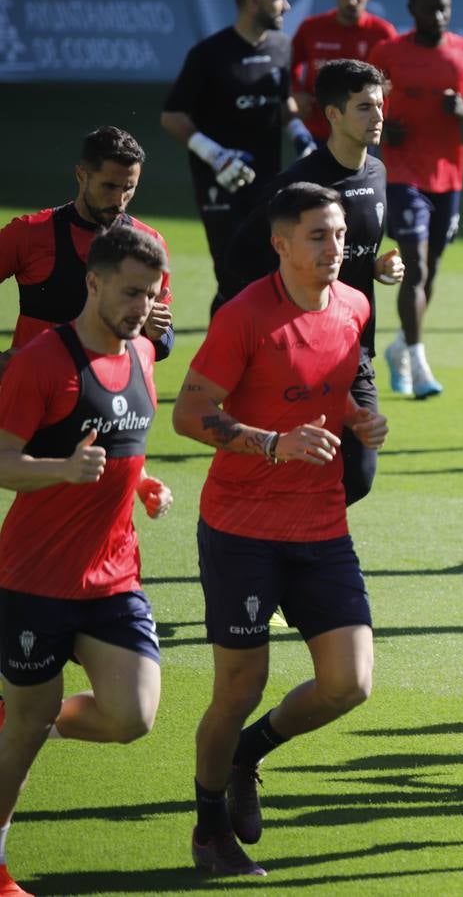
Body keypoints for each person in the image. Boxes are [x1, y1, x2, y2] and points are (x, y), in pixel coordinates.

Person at [174, 183, 388, 877]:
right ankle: (209, 831)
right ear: (282, 244)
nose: (335, 249)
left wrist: (363, 417)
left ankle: (247, 755)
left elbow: (348, 375)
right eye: (319, 236)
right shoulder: (245, 317)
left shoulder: (354, 304)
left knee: (349, 683)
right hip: (240, 528)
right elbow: (189, 411)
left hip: (320, 525)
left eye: (341, 235)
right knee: (239, 687)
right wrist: (270, 443)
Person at [0, 227, 171, 897]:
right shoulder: (42, 362)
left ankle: (20, 712)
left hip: (111, 574)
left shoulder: (145, 356)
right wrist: (64, 470)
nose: (141, 307)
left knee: (132, 716)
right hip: (34, 578)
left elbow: (124, 438)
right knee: (24, 740)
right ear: (93, 282)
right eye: (130, 292)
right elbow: (3, 460)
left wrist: (142, 481)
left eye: (150, 294)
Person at [217, 59, 403, 506]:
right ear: (333, 115)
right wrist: (278, 317)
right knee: (309, 459)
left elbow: (345, 257)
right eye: (364, 108)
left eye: (379, 105)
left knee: (357, 472)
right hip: (296, 352)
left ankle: (292, 538)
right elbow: (238, 260)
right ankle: (277, 541)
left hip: (354, 346)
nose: (377, 116)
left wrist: (375, 267)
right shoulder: (296, 186)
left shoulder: (376, 173)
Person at [371, 0, 463, 399]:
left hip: (448, 177)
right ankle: (419, 361)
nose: (437, 15)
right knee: (417, 267)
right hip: (403, 173)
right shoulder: (388, 53)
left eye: (443, 7)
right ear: (412, 8)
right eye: (428, 7)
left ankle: (401, 347)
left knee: (431, 270)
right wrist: (385, 131)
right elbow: (362, 104)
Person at [161, 0, 317, 302]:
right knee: (232, 282)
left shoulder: (282, 48)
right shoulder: (209, 54)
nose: (286, 6)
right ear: (254, 2)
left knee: (272, 277)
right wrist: (216, 157)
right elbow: (172, 116)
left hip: (269, 184)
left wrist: (302, 136)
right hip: (219, 188)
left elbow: (282, 105)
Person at [0, 127, 174, 370]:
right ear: (81, 175)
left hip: (113, 398)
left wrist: (159, 335)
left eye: (128, 188)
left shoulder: (149, 243)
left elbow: (162, 341)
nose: (118, 200)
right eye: (109, 186)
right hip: (38, 395)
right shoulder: (29, 233)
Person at [290, 0, 396, 142]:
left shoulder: (382, 33)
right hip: (317, 129)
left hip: (361, 131)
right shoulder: (311, 27)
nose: (352, 1)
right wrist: (296, 92)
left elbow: (394, 79)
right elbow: (288, 64)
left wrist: (385, 116)